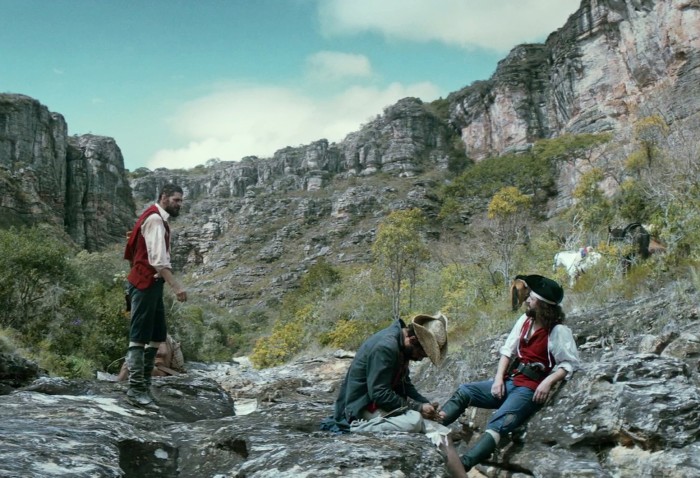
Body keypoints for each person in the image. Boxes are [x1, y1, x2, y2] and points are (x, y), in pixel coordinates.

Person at [439, 274, 580, 473]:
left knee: (498, 423)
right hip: (511, 381)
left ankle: (461, 467)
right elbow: (508, 351)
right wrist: (498, 379)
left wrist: (548, 381)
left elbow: (569, 363)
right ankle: (432, 429)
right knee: (465, 392)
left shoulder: (558, 331)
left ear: (541, 305)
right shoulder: (525, 321)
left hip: (529, 391)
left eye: (531, 298)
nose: (527, 300)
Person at [322, 313, 466, 476]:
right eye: (422, 354)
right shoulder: (386, 347)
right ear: (413, 340)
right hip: (360, 407)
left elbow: (405, 384)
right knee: (414, 420)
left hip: (379, 404)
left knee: (443, 434)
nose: (420, 359)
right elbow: (379, 393)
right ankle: (356, 427)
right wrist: (418, 408)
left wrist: (425, 404)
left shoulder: (400, 345)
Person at [122, 184, 188, 407]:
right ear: (164, 197)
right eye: (176, 200)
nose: (179, 204)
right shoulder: (155, 220)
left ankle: (145, 384)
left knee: (157, 334)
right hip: (144, 283)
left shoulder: (156, 218)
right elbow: (158, 261)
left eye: (181, 201)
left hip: (151, 284)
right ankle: (135, 388)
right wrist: (177, 287)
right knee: (139, 335)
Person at [116, 334, 185, 381]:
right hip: (161, 369)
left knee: (129, 365)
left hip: (165, 371)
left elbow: (162, 352)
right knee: (129, 364)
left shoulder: (157, 332)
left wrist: (142, 352)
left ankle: (117, 385)